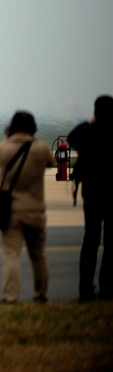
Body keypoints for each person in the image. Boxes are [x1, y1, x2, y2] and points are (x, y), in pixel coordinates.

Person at [0, 111, 55, 304]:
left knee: (11, 256)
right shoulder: (41, 149)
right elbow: (50, 163)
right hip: (36, 210)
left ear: (11, 128)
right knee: (39, 256)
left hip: (12, 211)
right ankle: (41, 295)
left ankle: (11, 297)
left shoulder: (3, 148)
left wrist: (7, 139)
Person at [68, 95, 113, 302]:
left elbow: (71, 138)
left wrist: (91, 121)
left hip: (92, 194)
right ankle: (107, 290)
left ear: (95, 111)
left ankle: (85, 291)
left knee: (90, 241)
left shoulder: (87, 132)